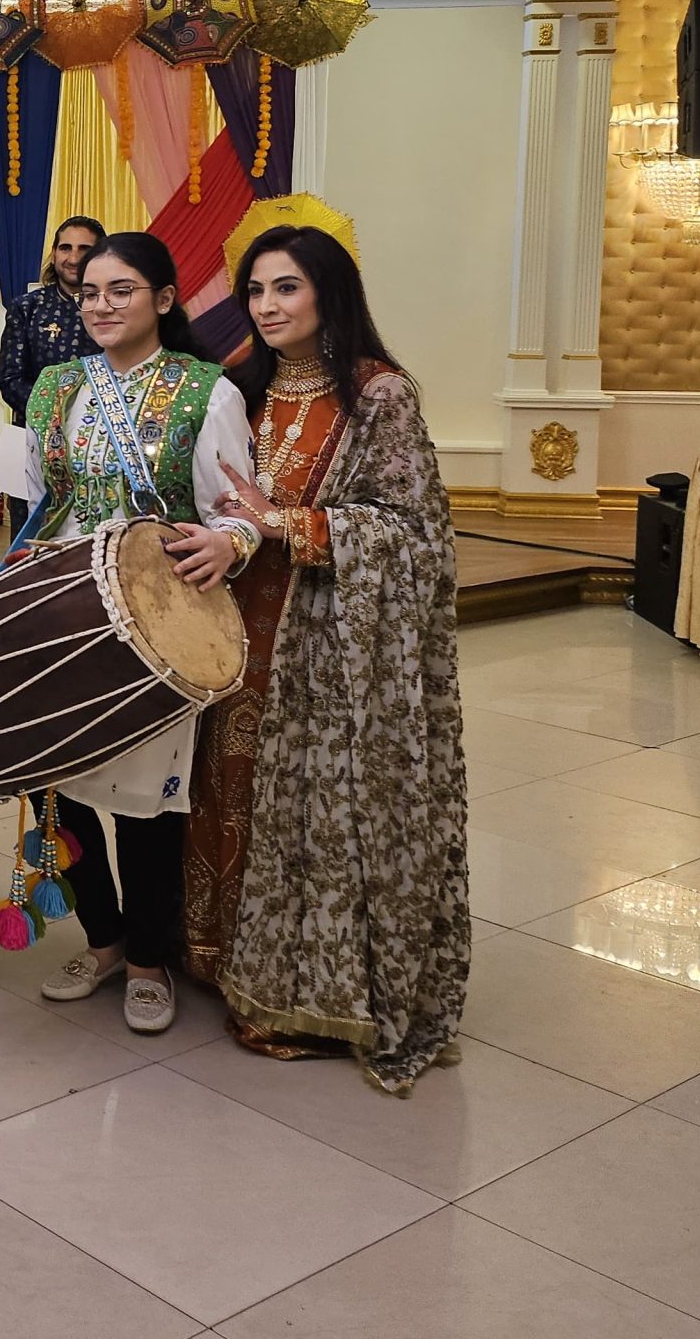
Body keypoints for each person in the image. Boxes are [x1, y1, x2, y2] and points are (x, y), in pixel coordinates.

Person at [201, 225, 469, 1093]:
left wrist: (290, 523)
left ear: (329, 292)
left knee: (316, 813)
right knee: (233, 792)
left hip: (327, 649)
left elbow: (417, 536)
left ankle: (313, 992)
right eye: (255, 291)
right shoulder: (239, 387)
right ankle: (227, 962)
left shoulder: (378, 396)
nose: (267, 306)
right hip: (234, 627)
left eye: (286, 287)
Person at [16, 232, 257, 1035]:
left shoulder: (204, 392)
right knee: (60, 788)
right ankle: (105, 940)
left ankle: (151, 958)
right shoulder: (55, 387)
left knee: (147, 801)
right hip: (63, 610)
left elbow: (236, 509)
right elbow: (39, 500)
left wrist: (231, 542)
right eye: (90, 293)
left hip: (159, 621)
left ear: (164, 299)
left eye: (121, 290)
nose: (102, 306)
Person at [0, 216, 105, 427]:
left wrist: (90, 418)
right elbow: (11, 381)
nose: (74, 258)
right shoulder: (26, 307)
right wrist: (57, 413)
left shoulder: (114, 307)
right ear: (54, 254)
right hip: (39, 430)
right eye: (65, 248)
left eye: (84, 249)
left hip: (105, 429)